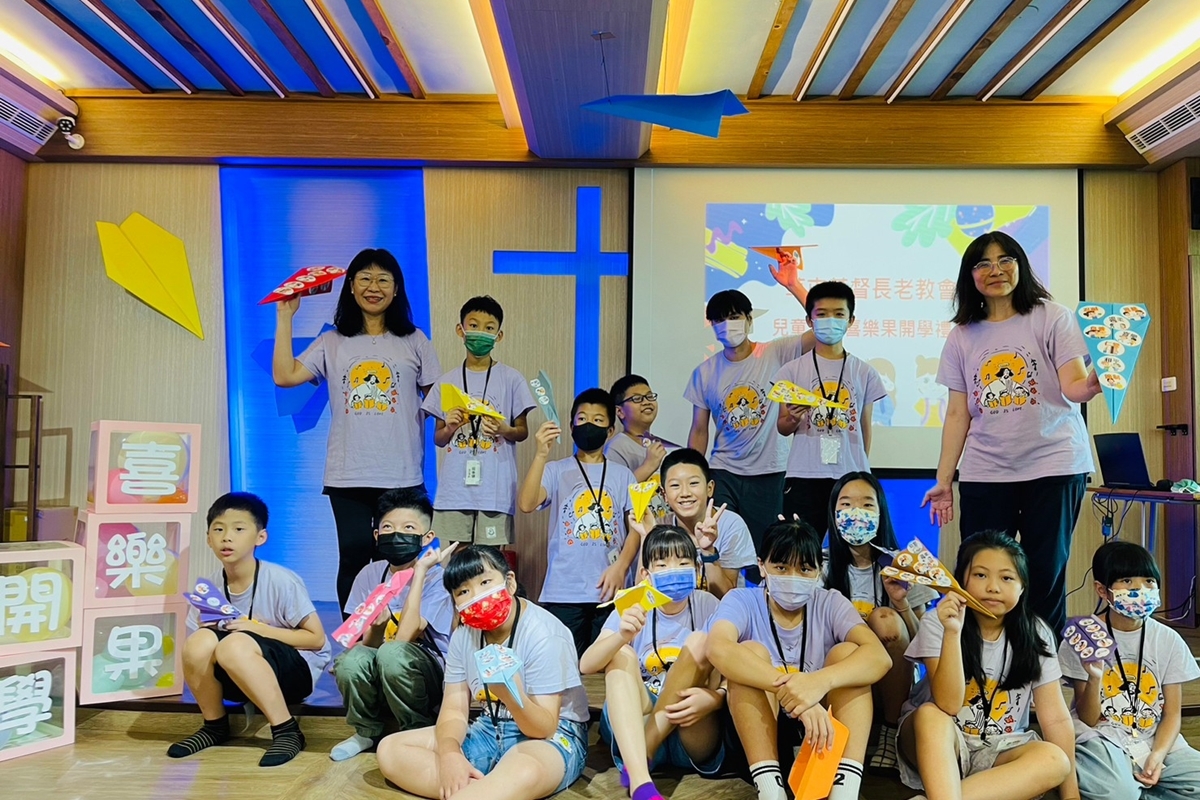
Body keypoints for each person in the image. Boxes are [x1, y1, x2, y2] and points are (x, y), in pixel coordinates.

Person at [921, 232, 1101, 634]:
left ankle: (1040, 665)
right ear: (970, 276)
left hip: (1054, 465)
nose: (996, 270)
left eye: (1005, 260)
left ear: (1021, 265)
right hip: (987, 470)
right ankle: (981, 663)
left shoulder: (1051, 316)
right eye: (983, 264)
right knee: (981, 572)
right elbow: (957, 414)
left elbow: (1073, 386)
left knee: (1044, 573)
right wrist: (944, 481)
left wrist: (1094, 383)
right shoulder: (962, 335)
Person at [274, 247, 442, 612]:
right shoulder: (333, 341)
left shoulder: (415, 340)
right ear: (350, 286)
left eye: (383, 279)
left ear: (396, 289)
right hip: (347, 473)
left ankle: (398, 632)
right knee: (353, 554)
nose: (373, 287)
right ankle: (353, 637)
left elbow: (438, 400)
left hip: (401, 474)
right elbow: (285, 376)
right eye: (365, 278)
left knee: (397, 556)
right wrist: (285, 317)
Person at [376, 546, 590, 800]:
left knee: (525, 770)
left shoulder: (545, 633)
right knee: (390, 749)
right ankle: (487, 790)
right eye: (463, 591)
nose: (477, 595)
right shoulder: (463, 635)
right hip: (489, 729)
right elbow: (454, 710)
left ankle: (480, 790)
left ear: (509, 582)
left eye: (485, 582)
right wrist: (450, 755)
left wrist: (511, 695)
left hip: (551, 737)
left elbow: (543, 728)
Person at [707, 519, 891, 800]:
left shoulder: (830, 602)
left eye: (805, 568)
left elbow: (879, 657)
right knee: (750, 652)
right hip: (761, 732)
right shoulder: (742, 600)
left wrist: (819, 682)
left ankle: (844, 791)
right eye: (781, 567)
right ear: (762, 566)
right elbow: (717, 647)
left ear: (819, 571)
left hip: (822, 733)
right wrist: (794, 693)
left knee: (847, 654)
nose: (793, 577)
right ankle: (771, 792)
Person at [896, 531, 1080, 800]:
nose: (993, 587)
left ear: (1023, 586)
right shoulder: (938, 621)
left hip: (1000, 747)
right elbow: (948, 704)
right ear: (961, 579)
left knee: (1056, 761)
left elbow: (1056, 718)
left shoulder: (1036, 632)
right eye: (981, 575)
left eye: (1007, 578)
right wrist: (952, 632)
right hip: (941, 742)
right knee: (930, 715)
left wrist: (1071, 796)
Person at [168, 492, 331, 767]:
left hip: (293, 675)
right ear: (208, 539)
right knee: (199, 642)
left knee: (236, 644)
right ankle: (214, 726)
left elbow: (316, 639)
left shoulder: (281, 580)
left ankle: (287, 730)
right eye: (218, 530)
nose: (226, 538)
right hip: (236, 677)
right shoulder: (209, 587)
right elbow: (195, 655)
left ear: (260, 537)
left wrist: (256, 629)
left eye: (239, 529)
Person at [581, 525, 725, 800]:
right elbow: (586, 665)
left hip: (689, 724)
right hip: (639, 720)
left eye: (683, 563)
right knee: (621, 654)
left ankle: (646, 750)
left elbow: (731, 665)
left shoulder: (709, 604)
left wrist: (716, 698)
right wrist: (622, 636)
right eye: (662, 564)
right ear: (646, 574)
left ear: (697, 569)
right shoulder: (634, 604)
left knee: (699, 642)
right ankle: (640, 783)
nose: (674, 571)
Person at [685, 289, 815, 572]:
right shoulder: (704, 372)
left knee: (764, 553)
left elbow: (820, 329)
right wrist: (693, 475)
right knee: (718, 546)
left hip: (769, 473)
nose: (727, 325)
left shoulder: (775, 353)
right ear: (712, 327)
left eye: (734, 317)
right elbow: (699, 430)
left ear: (749, 320)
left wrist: (793, 285)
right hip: (723, 472)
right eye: (719, 320)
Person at [1060, 540, 1200, 799]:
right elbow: (1088, 718)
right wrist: (1094, 677)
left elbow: (1172, 714)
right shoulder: (1085, 636)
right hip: (1103, 737)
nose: (1140, 589)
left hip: (1153, 737)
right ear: (1102, 590)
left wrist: (1158, 755)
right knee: (1116, 792)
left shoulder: (1168, 639)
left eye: (1149, 581)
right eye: (1127, 581)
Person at [330, 488, 457, 762]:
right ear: (377, 535)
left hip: (427, 670)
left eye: (408, 528)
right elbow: (366, 645)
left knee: (393, 652)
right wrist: (377, 628)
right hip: (385, 661)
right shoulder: (370, 574)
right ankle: (365, 731)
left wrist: (419, 572)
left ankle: (417, 730)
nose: (396, 534)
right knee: (351, 659)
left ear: (427, 538)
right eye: (388, 527)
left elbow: (407, 636)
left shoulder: (439, 579)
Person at [821, 471, 936, 773]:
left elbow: (926, 644)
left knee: (884, 619)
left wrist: (901, 603)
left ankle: (890, 730)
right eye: (846, 505)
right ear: (833, 514)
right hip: (840, 679)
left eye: (867, 505)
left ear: (881, 512)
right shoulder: (820, 566)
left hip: (892, 682)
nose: (856, 513)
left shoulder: (903, 566)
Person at [518, 387, 640, 656]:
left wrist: (621, 566)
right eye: (582, 419)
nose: (588, 425)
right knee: (565, 665)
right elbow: (526, 504)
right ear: (572, 427)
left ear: (610, 430)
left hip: (612, 591)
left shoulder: (623, 475)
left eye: (598, 420)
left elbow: (637, 529)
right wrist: (540, 454)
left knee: (609, 665)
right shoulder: (555, 470)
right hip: (564, 591)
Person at [421, 296, 535, 546]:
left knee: (489, 559)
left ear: (499, 335)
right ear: (460, 330)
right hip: (454, 492)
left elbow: (522, 431)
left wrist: (505, 429)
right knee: (455, 559)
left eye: (489, 328)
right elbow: (438, 439)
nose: (480, 332)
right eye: (473, 325)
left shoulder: (512, 379)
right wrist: (450, 427)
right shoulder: (446, 381)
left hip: (494, 491)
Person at [775, 282, 885, 534]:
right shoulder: (791, 370)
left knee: (853, 544)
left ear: (850, 320)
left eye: (838, 314)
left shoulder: (864, 372)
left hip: (850, 475)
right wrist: (792, 418)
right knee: (802, 546)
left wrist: (861, 470)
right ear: (809, 320)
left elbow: (864, 427)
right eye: (822, 314)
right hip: (804, 475)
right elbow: (782, 427)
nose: (830, 321)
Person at [647, 448, 758, 598]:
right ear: (664, 494)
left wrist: (708, 552)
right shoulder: (660, 527)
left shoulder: (731, 524)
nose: (685, 493)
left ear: (709, 488)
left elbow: (727, 596)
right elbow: (645, 592)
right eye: (675, 485)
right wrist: (645, 536)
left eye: (693, 483)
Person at [606, 374, 680, 482]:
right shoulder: (616, 447)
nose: (646, 402)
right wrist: (649, 465)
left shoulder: (659, 444)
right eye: (637, 399)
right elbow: (616, 490)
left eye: (649, 396)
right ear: (620, 411)